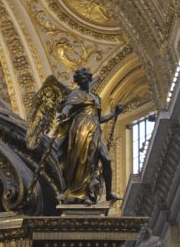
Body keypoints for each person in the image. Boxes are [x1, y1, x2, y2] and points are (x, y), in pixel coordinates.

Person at [52, 66, 126, 204]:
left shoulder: (96, 98)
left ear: (89, 80)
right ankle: (78, 192)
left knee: (106, 159)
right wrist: (65, 113)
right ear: (79, 82)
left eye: (86, 79)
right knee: (82, 160)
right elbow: (68, 107)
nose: (84, 82)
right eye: (82, 80)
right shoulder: (75, 94)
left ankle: (108, 193)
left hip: (95, 130)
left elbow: (98, 118)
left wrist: (114, 114)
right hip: (81, 129)